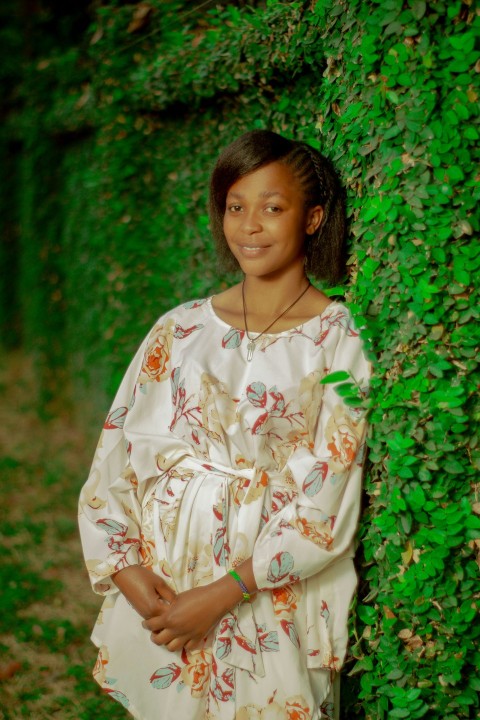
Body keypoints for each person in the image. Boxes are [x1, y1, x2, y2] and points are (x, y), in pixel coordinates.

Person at [78, 129, 370, 720]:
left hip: (262, 588)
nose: (250, 225)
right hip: (163, 570)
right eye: (236, 207)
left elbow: (332, 481)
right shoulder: (177, 328)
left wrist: (222, 595)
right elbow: (117, 450)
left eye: (272, 207)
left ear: (312, 219)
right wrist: (128, 569)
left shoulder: (341, 343)